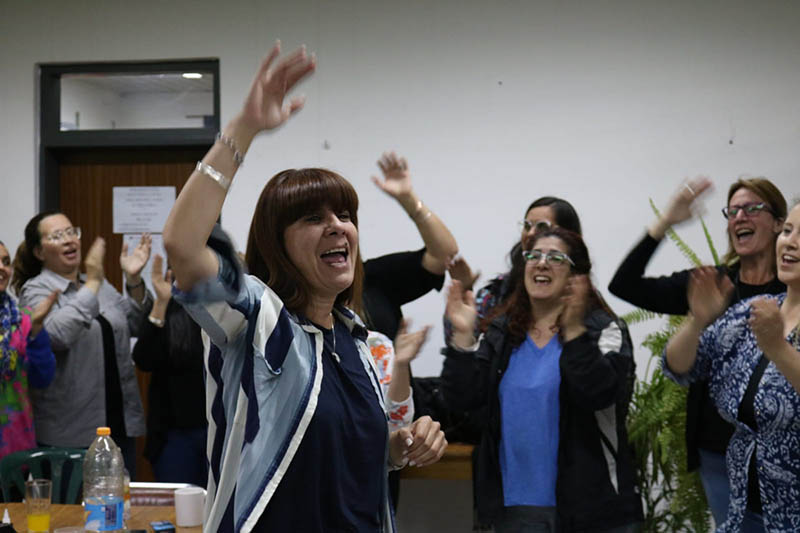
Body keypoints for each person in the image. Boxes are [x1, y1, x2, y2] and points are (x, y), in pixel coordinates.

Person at [162, 41, 447, 532]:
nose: (338, 227)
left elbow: (345, 452)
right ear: (277, 245)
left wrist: (399, 447)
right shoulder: (257, 320)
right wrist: (242, 130)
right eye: (313, 219)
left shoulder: (362, 344)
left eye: (345, 215)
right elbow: (184, 247)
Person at [608, 176, 787, 525]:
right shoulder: (711, 284)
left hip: (784, 453)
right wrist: (666, 222)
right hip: (719, 455)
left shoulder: (792, 288)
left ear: (779, 223)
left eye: (752, 208)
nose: (739, 217)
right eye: (732, 211)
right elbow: (624, 285)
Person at [442, 227, 643, 532]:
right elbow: (462, 401)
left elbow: (600, 394)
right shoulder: (501, 333)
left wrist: (574, 332)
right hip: (514, 508)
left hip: (590, 509)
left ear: (578, 276)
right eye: (533, 256)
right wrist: (462, 336)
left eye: (556, 257)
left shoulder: (603, 330)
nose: (541, 263)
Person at [663, 200, 800, 532]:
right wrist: (697, 322)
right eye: (788, 231)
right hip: (744, 509)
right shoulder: (756, 311)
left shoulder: (768, 326)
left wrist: (778, 348)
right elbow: (680, 367)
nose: (790, 241)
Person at [15, 213, 151, 477]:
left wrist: (133, 280)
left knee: (119, 510)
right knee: (71, 517)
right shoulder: (35, 291)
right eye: (56, 236)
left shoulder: (99, 284)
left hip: (118, 426)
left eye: (71, 232)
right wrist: (91, 284)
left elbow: (136, 324)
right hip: (69, 434)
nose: (68, 240)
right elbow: (55, 336)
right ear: (39, 252)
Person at [443, 196, 582, 344]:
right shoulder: (496, 293)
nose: (530, 233)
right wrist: (464, 292)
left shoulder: (582, 297)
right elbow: (465, 349)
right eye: (527, 226)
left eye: (542, 227)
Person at [363, 151, 458, 340]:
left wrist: (409, 200)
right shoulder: (293, 295)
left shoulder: (370, 277)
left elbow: (444, 255)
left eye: (344, 217)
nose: (336, 228)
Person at [132, 254, 207, 486]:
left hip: (221, 429)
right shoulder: (167, 306)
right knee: (176, 512)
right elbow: (143, 360)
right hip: (175, 434)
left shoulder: (228, 306)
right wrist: (161, 303)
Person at [0, 240, 58, 460]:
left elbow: (42, 378)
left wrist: (35, 331)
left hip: (13, 450)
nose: (2, 268)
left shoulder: (24, 319)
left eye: (6, 262)